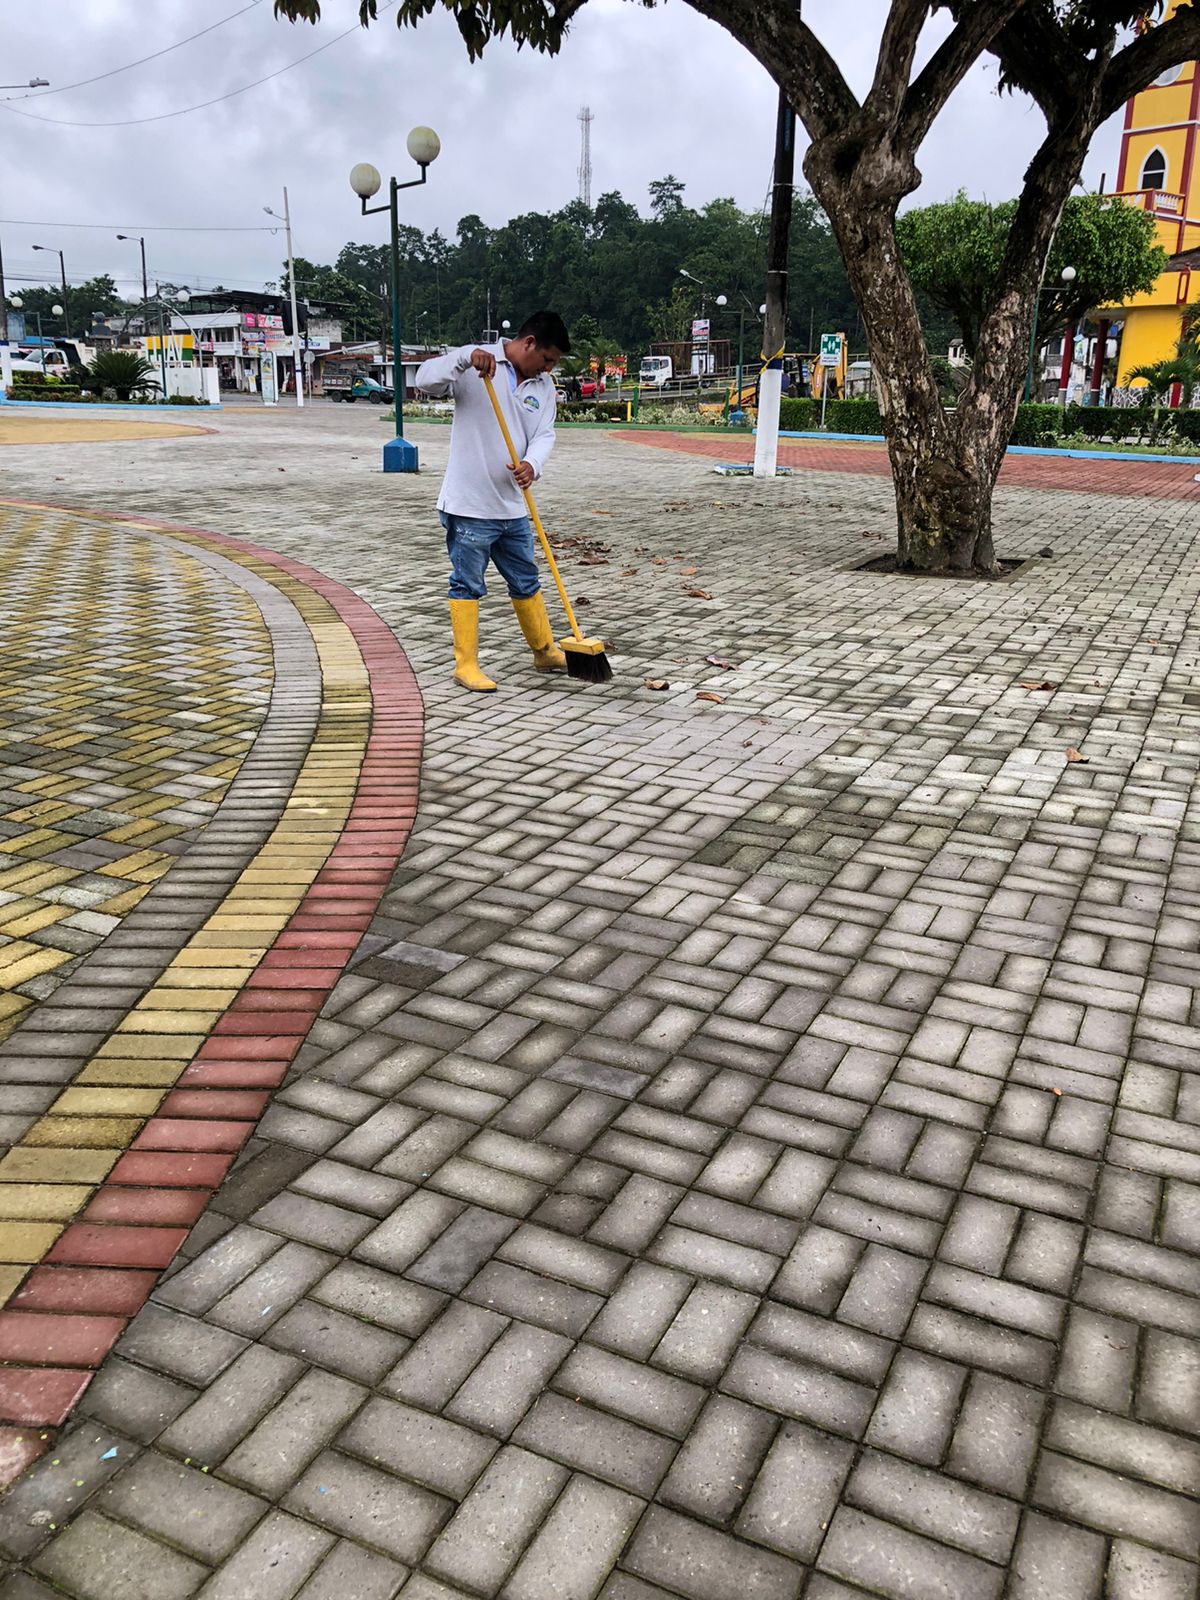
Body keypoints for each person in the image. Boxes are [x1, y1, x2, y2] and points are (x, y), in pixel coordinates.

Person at [415, 311, 571, 692]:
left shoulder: (543, 387)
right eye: (547, 359)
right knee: (467, 584)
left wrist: (533, 464)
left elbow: (545, 434)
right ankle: (466, 665)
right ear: (529, 343)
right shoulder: (476, 363)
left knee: (526, 579)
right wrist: (464, 357)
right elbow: (424, 380)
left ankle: (544, 650)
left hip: (513, 506)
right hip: (470, 506)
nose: (548, 368)